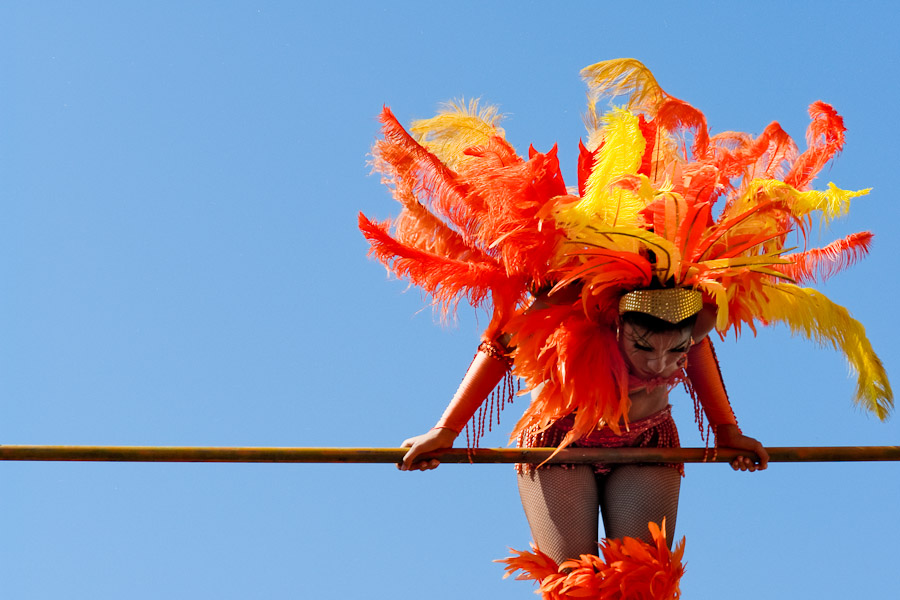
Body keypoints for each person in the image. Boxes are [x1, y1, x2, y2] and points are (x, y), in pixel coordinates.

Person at [360, 59, 891, 598]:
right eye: (644, 347)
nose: (662, 365)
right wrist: (446, 432)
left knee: (646, 585)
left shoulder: (691, 312)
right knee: (575, 588)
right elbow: (498, 348)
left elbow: (700, 350)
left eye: (674, 351)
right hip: (558, 440)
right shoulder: (561, 297)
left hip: (647, 438)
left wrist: (727, 431)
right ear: (614, 322)